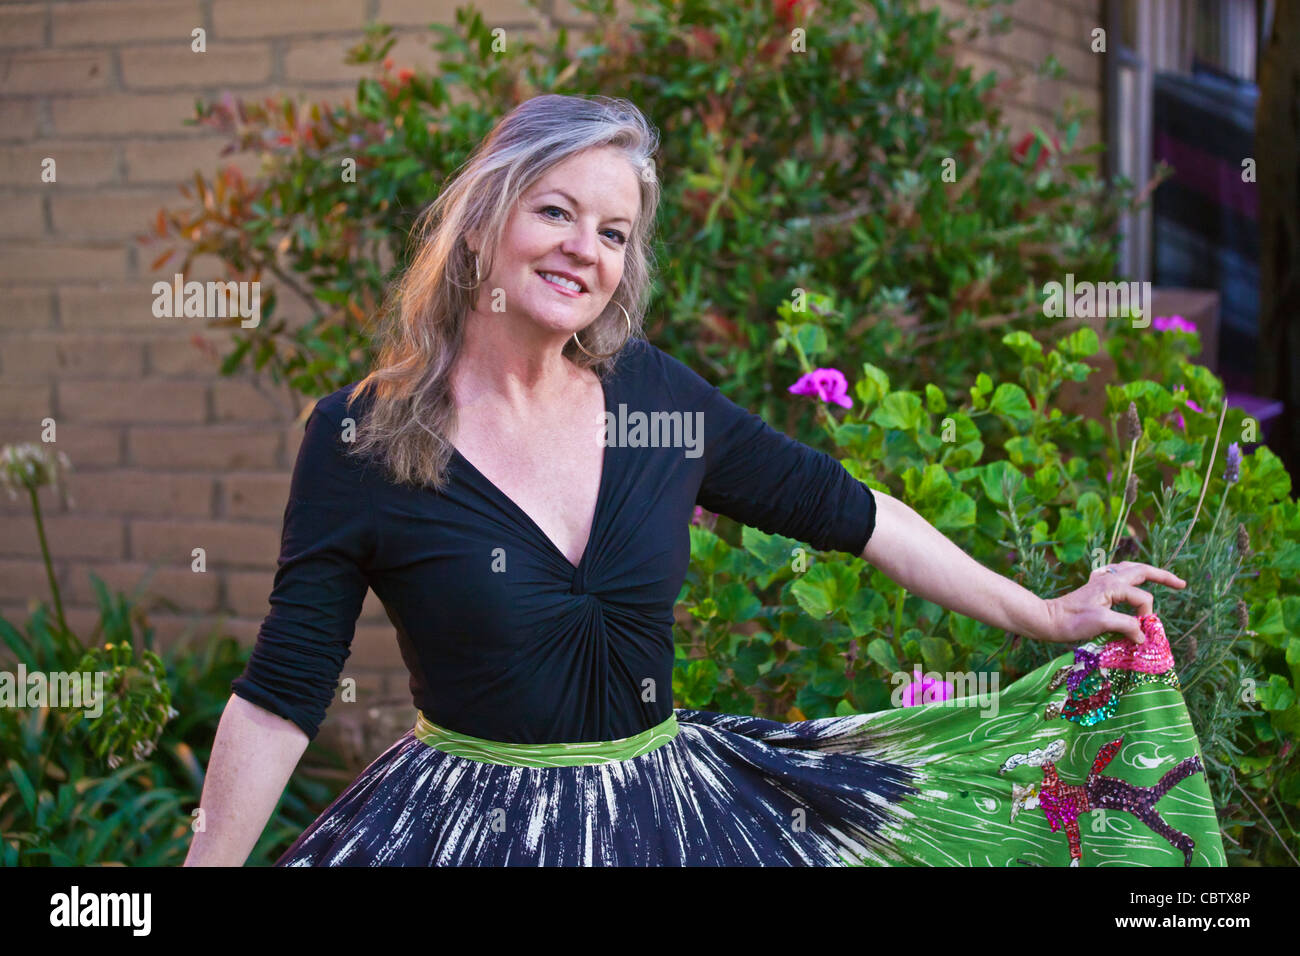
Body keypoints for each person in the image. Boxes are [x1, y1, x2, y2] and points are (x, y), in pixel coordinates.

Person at [183, 94, 1224, 866]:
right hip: (468, 833)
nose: (583, 250)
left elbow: (851, 512)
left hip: (669, 820)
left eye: (613, 231)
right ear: (485, 220)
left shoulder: (652, 398)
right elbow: (282, 695)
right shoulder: (363, 435)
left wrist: (1045, 611)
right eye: (555, 211)